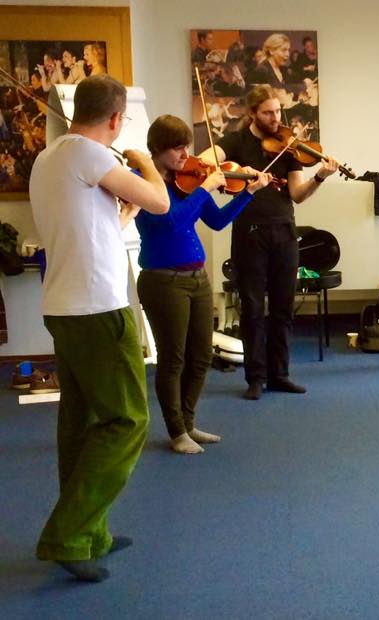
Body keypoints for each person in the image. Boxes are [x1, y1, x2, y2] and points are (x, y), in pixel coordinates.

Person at [28, 75, 171, 582]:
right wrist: (148, 163)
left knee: (83, 423)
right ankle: (68, 534)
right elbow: (161, 202)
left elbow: (99, 229)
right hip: (97, 309)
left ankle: (92, 534)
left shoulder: (50, 158)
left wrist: (122, 211)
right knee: (128, 420)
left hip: (66, 305)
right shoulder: (91, 155)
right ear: (116, 118)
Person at [135, 115, 271, 453]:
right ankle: (176, 431)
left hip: (197, 277)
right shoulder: (142, 182)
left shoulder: (189, 180)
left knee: (200, 357)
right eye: (177, 148)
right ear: (157, 149)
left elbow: (218, 220)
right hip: (163, 281)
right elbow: (171, 222)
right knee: (173, 359)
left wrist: (248, 194)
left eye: (186, 146)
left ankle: (189, 423)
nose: (185, 154)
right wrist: (206, 187)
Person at [200, 85, 338, 400]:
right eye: (268, 113)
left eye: (278, 111)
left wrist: (320, 176)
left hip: (284, 232)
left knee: (283, 308)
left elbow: (297, 195)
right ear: (252, 114)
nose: (276, 118)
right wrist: (236, 171)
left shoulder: (289, 149)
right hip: (249, 233)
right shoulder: (235, 141)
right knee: (250, 307)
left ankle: (280, 374)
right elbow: (205, 160)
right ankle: (255, 378)